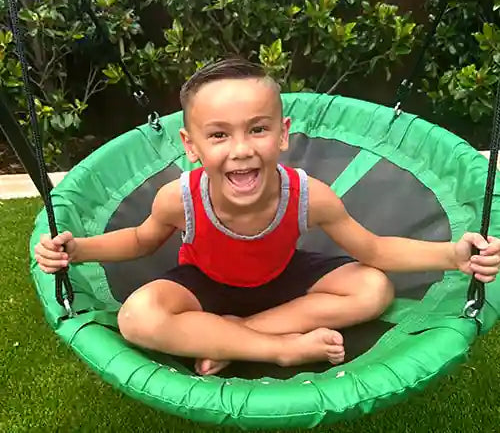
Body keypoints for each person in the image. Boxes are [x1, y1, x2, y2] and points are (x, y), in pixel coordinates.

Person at [34, 58, 500, 376]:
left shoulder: (307, 196)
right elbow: (139, 241)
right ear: (190, 146)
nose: (241, 150)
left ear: (282, 135)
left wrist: (452, 253)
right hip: (204, 283)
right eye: (218, 135)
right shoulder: (180, 199)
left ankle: (232, 338)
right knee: (138, 316)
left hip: (284, 279)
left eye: (257, 129)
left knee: (373, 287)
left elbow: (374, 249)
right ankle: (277, 348)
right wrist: (77, 250)